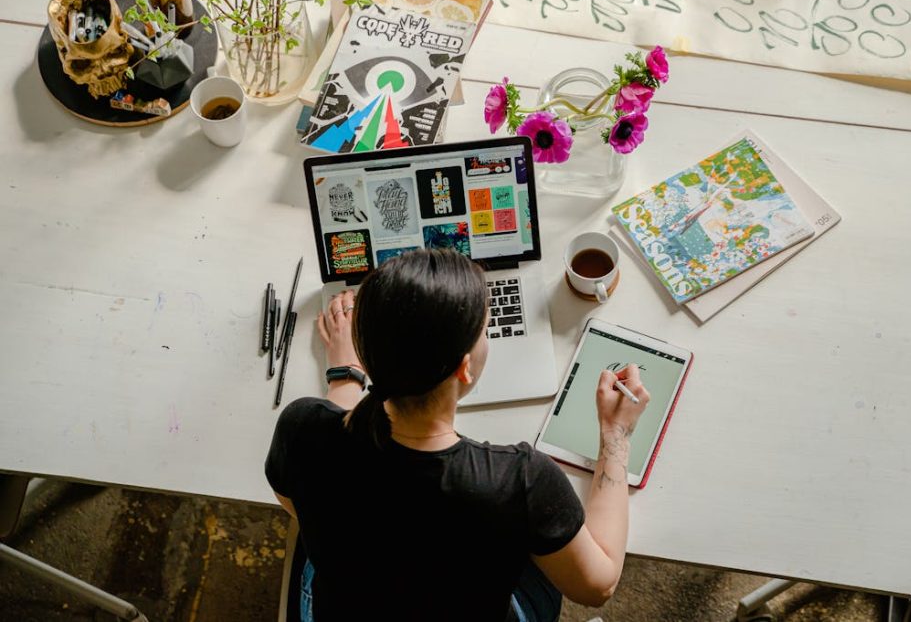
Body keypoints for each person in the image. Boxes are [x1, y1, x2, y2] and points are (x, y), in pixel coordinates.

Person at [265, 249, 650, 621]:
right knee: (535, 546)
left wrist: (344, 372)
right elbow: (597, 587)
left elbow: (296, 501)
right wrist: (616, 435)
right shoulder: (518, 481)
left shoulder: (301, 428)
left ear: (367, 354)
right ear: (464, 369)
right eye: (485, 331)